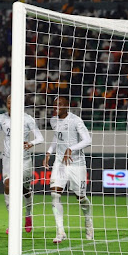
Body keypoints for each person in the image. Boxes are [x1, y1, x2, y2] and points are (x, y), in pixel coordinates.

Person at [43, 96, 93, 244]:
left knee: (81, 198)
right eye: (54, 105)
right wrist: (48, 152)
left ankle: (88, 221)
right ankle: (60, 231)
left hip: (77, 164)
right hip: (60, 163)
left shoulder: (76, 120)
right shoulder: (54, 121)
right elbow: (57, 138)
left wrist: (71, 148)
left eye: (59, 105)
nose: (55, 108)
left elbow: (87, 140)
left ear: (66, 106)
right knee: (54, 194)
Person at [0, 95, 44, 234]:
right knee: (7, 185)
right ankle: (12, 222)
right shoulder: (1, 118)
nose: (10, 105)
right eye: (9, 102)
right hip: (8, 158)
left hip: (24, 159)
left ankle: (28, 215)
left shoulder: (27, 119)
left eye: (13, 102)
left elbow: (40, 138)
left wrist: (30, 143)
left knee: (24, 189)